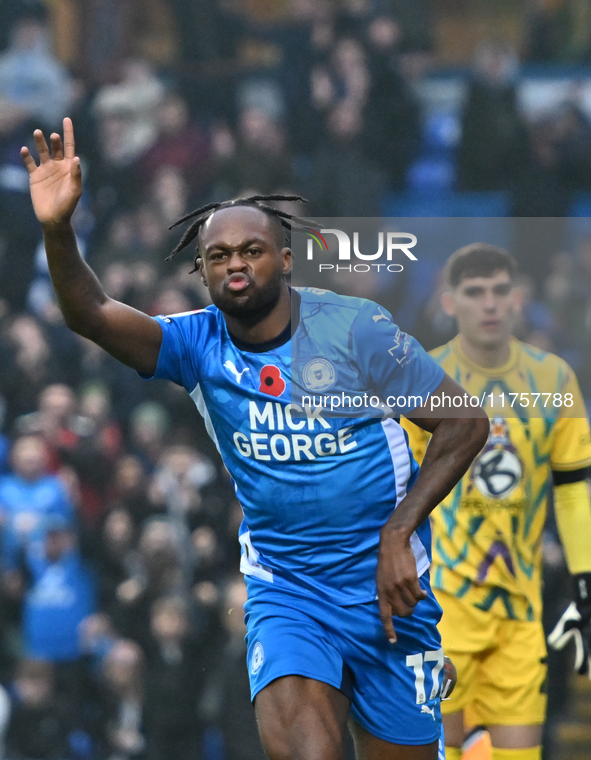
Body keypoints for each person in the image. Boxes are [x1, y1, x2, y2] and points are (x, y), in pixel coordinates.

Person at [22, 118, 489, 760]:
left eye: (251, 250)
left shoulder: (356, 330)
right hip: (286, 589)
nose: (234, 263)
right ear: (202, 271)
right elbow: (91, 313)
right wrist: (58, 230)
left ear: (287, 259)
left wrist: (398, 532)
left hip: (388, 588)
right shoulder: (195, 343)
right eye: (218, 256)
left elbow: (466, 422)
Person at [403, 243, 591, 760]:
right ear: (450, 302)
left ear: (518, 300)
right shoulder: (425, 379)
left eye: (499, 291)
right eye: (475, 292)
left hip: (520, 618)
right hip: (442, 613)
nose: (489, 303)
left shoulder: (554, 380)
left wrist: (584, 577)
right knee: (440, 753)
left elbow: (574, 489)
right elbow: (401, 493)